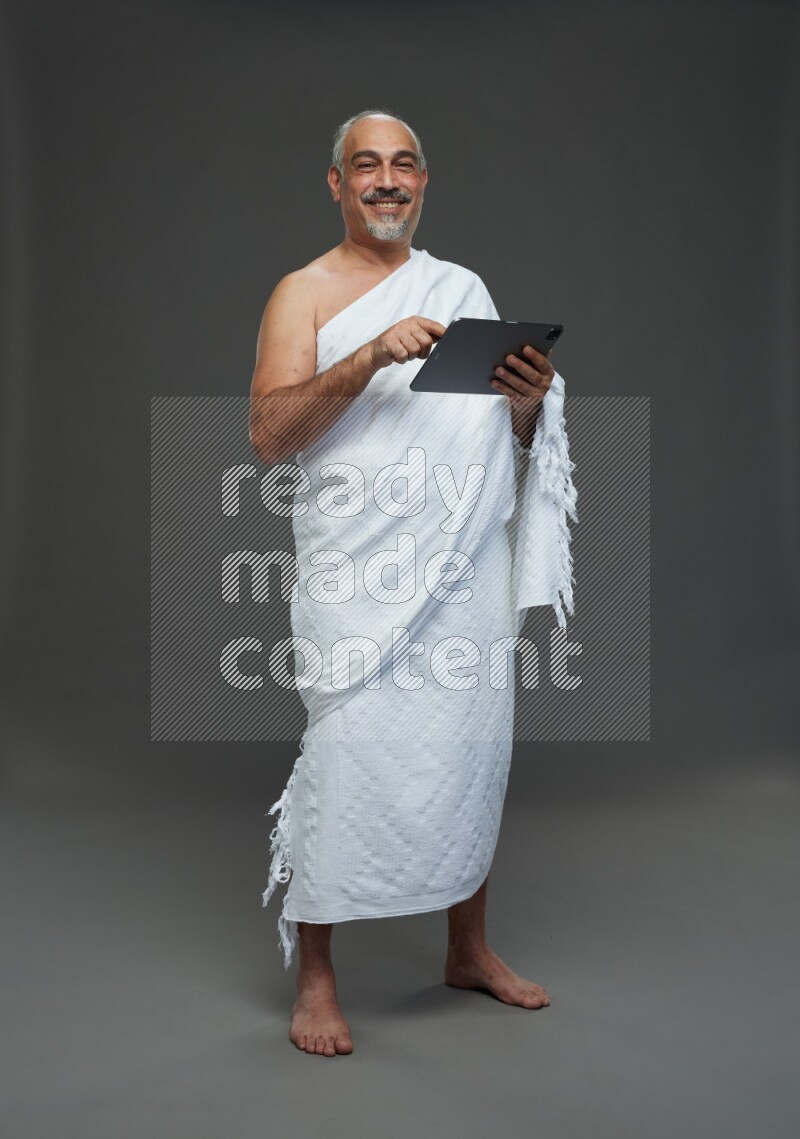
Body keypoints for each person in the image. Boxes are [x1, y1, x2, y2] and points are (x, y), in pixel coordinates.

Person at [248, 109, 577, 1057]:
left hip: (458, 569)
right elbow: (270, 438)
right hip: (359, 575)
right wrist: (369, 354)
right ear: (336, 183)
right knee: (344, 757)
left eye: (403, 166)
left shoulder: (463, 287)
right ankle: (317, 973)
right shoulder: (301, 294)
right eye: (366, 166)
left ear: (423, 183)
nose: (386, 181)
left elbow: (493, 448)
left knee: (467, 749)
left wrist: (525, 409)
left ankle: (467, 948)